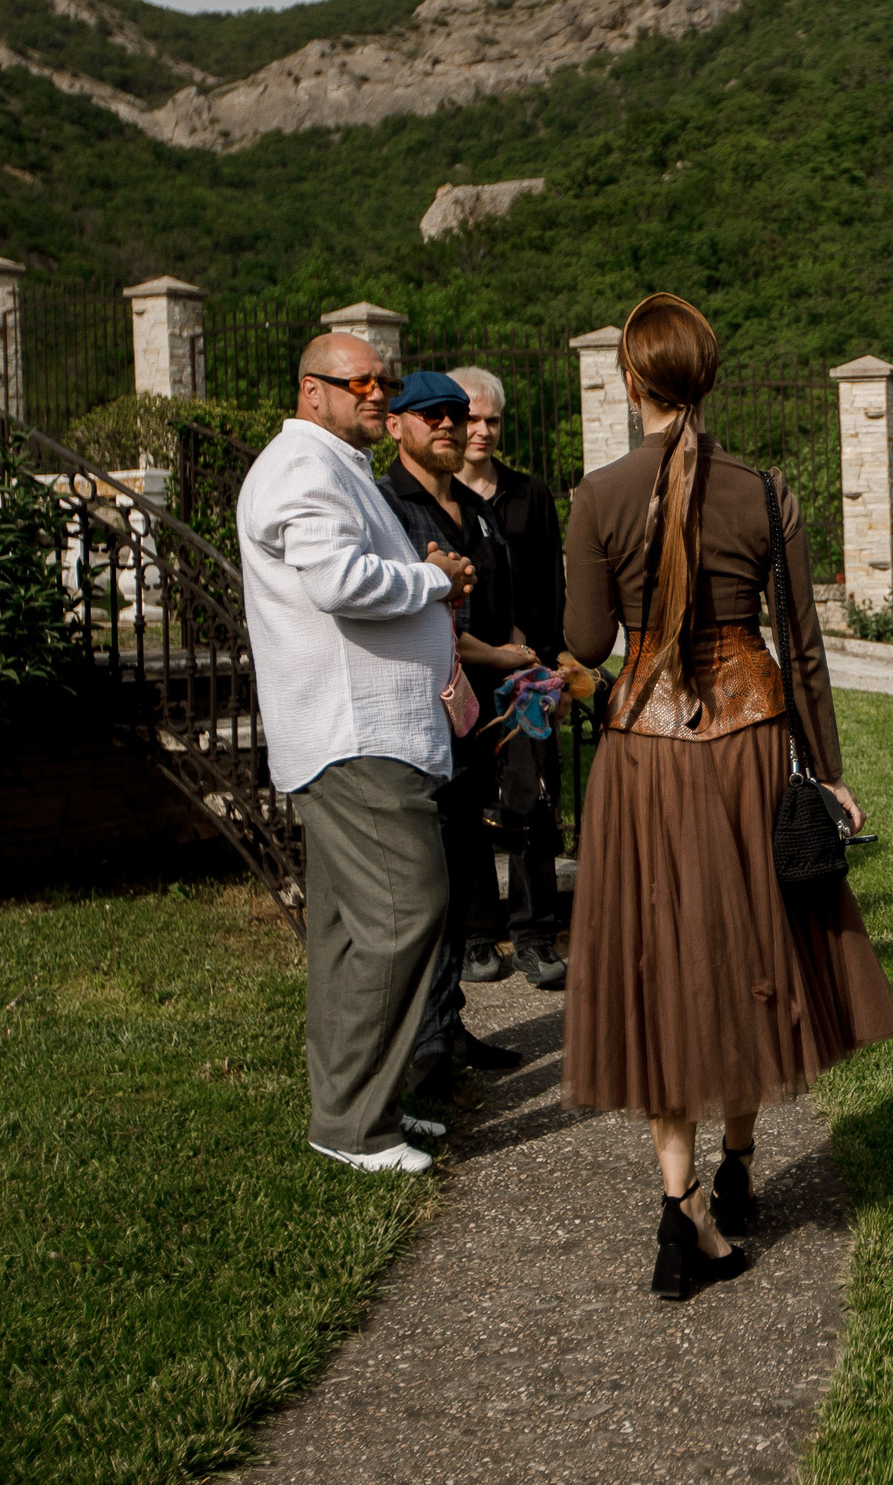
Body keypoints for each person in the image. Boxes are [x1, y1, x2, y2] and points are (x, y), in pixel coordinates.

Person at [561, 292, 893, 1300]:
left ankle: (683, 1211)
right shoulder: (766, 492)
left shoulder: (596, 497)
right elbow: (799, 649)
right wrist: (828, 769)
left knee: (663, 966)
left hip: (644, 761)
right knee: (754, 947)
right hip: (754, 742)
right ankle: (743, 1162)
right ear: (708, 380)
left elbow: (585, 647)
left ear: (632, 384)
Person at [236, 332, 477, 1176]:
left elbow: (351, 567)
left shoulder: (334, 464)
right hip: (354, 736)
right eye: (361, 382)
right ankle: (357, 1126)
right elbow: (340, 583)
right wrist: (435, 581)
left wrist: (422, 568)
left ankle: (352, 1111)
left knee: (345, 936)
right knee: (409, 910)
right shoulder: (303, 468)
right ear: (313, 390)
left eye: (386, 381)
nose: (380, 394)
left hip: (363, 735)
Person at [375, 369, 534, 1097]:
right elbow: (426, 624)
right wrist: (500, 655)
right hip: (422, 719)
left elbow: (498, 602)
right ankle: (426, 1047)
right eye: (429, 413)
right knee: (424, 889)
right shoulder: (388, 509)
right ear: (396, 426)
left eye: (453, 413)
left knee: (456, 874)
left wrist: (529, 658)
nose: (447, 424)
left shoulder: (475, 507)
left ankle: (449, 1026)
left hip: (478, 721)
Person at [450, 364, 570, 992]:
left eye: (492, 419)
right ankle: (475, 936)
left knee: (534, 800)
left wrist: (545, 659)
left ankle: (534, 934)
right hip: (463, 679)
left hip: (527, 682)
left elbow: (554, 588)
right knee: (468, 804)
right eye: (471, 418)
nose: (482, 430)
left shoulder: (531, 496)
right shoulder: (440, 503)